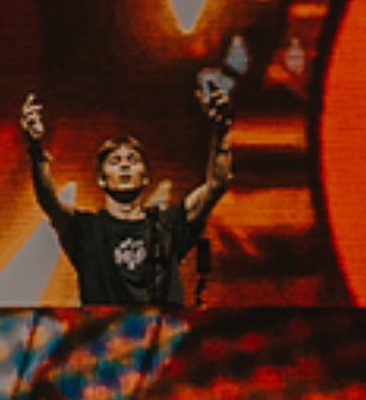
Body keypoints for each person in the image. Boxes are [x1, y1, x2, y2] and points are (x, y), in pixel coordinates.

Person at [22, 85, 233, 306]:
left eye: (132, 160)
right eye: (115, 161)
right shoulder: (87, 229)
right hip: (105, 328)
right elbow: (49, 201)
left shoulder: (167, 225)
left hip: (163, 327)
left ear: (146, 178)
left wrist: (221, 132)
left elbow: (216, 184)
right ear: (101, 179)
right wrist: (36, 149)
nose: (124, 165)